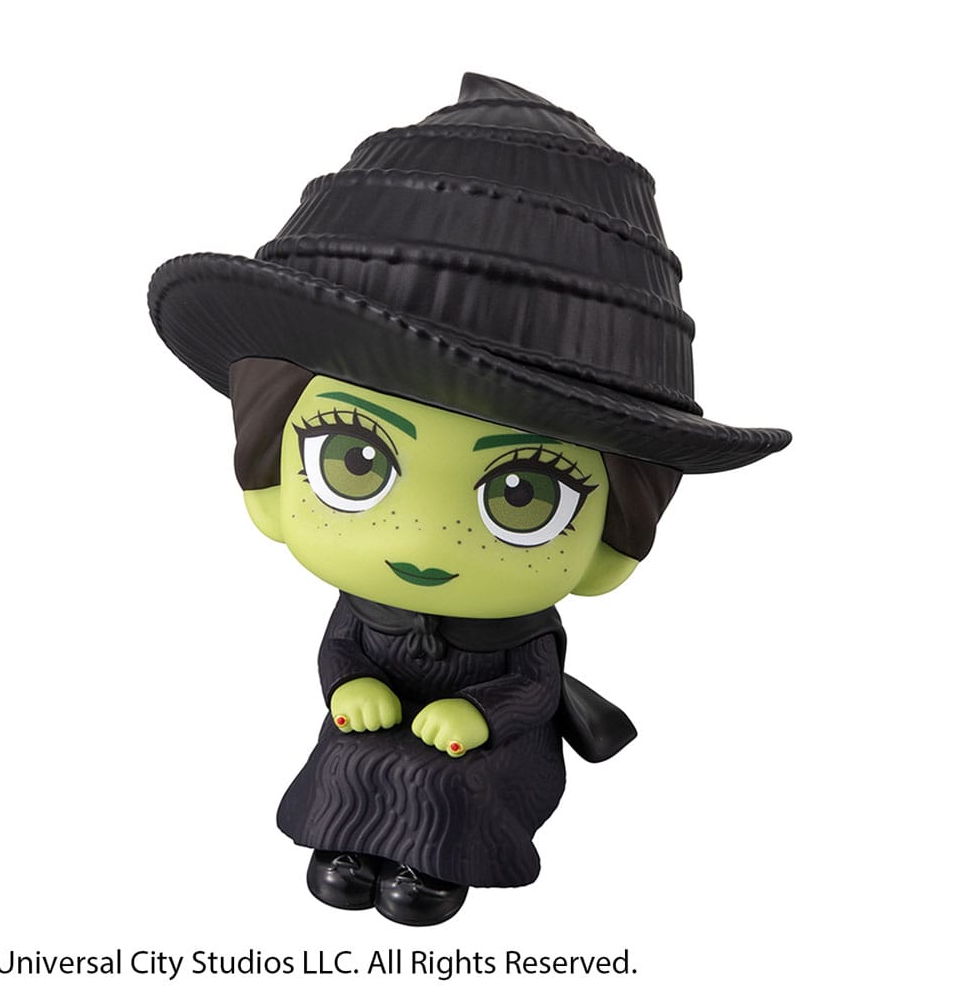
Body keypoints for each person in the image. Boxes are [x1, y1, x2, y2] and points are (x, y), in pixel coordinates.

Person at [149, 73, 790, 924]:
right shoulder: (363, 607)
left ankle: (435, 866)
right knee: (348, 755)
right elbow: (342, 650)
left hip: (488, 747)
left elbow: (532, 687)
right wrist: (348, 685)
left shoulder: (519, 633)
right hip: (375, 725)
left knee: (463, 786)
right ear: (266, 481)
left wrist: (479, 715)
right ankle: (344, 843)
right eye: (354, 461)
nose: (423, 535)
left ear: (611, 545)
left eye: (523, 495)